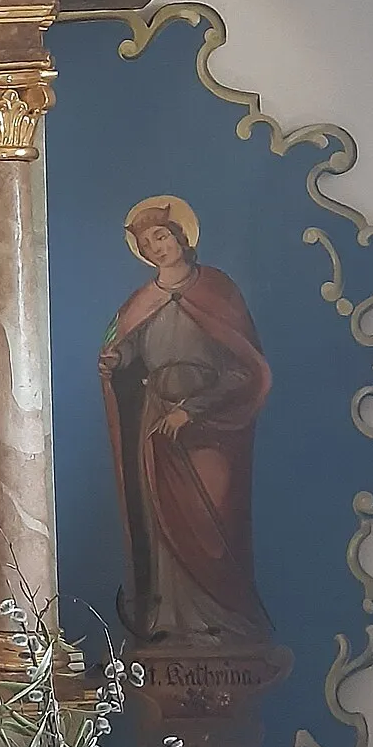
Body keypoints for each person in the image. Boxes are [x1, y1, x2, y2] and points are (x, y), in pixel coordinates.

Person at [99, 196, 273, 647]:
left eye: (161, 235)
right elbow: (129, 361)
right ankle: (172, 619)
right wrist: (116, 360)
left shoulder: (218, 290)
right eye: (146, 242)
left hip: (211, 428)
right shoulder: (139, 304)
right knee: (162, 524)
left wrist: (191, 410)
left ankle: (222, 618)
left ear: (180, 236)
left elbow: (244, 369)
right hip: (157, 424)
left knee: (210, 519)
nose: (156, 247)